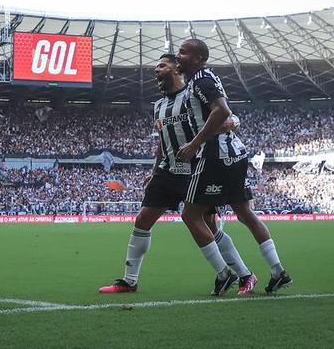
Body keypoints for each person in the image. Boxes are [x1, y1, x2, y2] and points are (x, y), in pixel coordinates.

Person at [99, 54, 252, 296]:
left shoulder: (193, 94)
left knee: (210, 227)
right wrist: (153, 171)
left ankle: (244, 275)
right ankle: (129, 281)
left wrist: (233, 122)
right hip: (167, 171)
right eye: (156, 67)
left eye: (162, 65)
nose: (156, 70)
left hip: (196, 168)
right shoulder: (158, 106)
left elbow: (226, 115)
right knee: (142, 220)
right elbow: (162, 142)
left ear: (176, 68)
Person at [176, 39, 291, 294]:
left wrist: (195, 143)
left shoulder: (201, 80)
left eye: (183, 52)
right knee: (244, 214)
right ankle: (277, 271)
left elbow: (222, 111)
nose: (178, 55)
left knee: (191, 215)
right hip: (234, 152)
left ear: (197, 58)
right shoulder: (207, 78)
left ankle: (224, 273)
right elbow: (226, 115)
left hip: (214, 154)